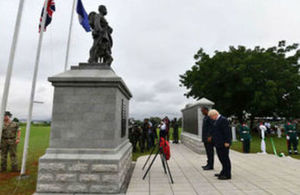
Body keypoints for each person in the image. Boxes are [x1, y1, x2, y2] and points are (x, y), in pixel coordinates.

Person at [208, 109, 232, 180]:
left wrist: (227, 142)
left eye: (211, 117)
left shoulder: (223, 120)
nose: (211, 118)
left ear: (214, 115)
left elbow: (227, 132)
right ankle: (223, 171)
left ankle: (227, 174)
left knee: (225, 158)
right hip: (218, 143)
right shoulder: (217, 120)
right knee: (221, 158)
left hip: (224, 143)